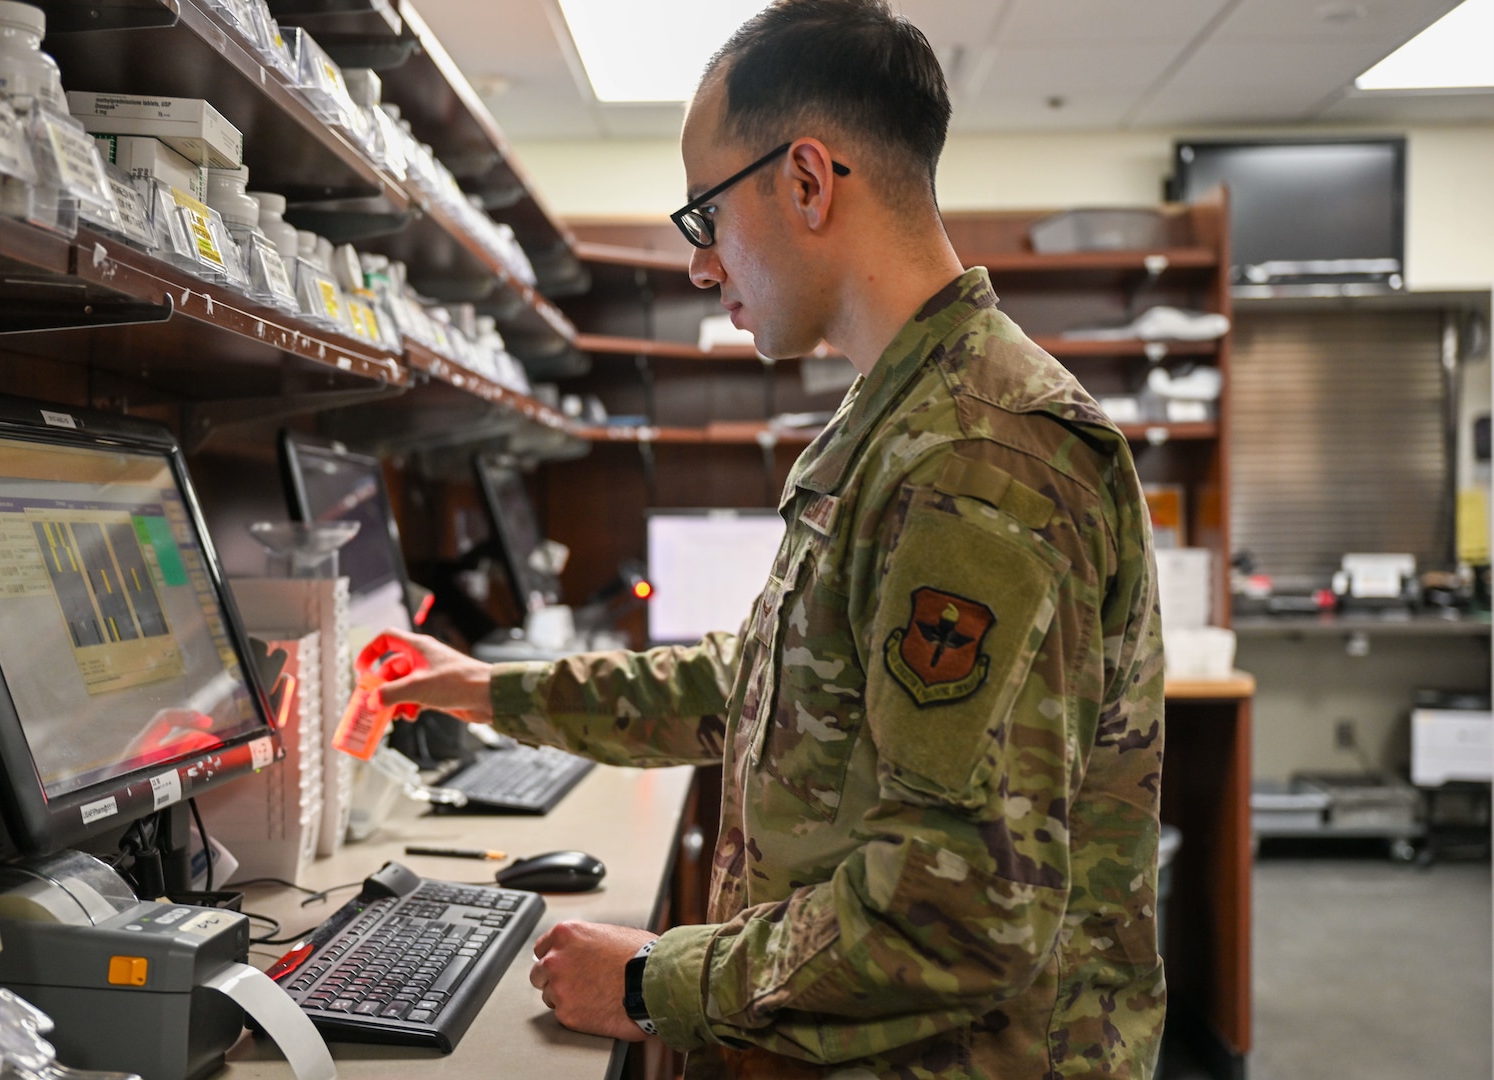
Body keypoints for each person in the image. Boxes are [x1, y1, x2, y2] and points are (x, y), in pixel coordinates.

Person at [368, 1, 1166, 1075]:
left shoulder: (975, 460)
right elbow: (768, 687)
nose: (702, 265)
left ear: (805, 181)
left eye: (705, 215)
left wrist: (657, 981)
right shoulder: (899, 420)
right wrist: (486, 692)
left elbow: (957, 914)